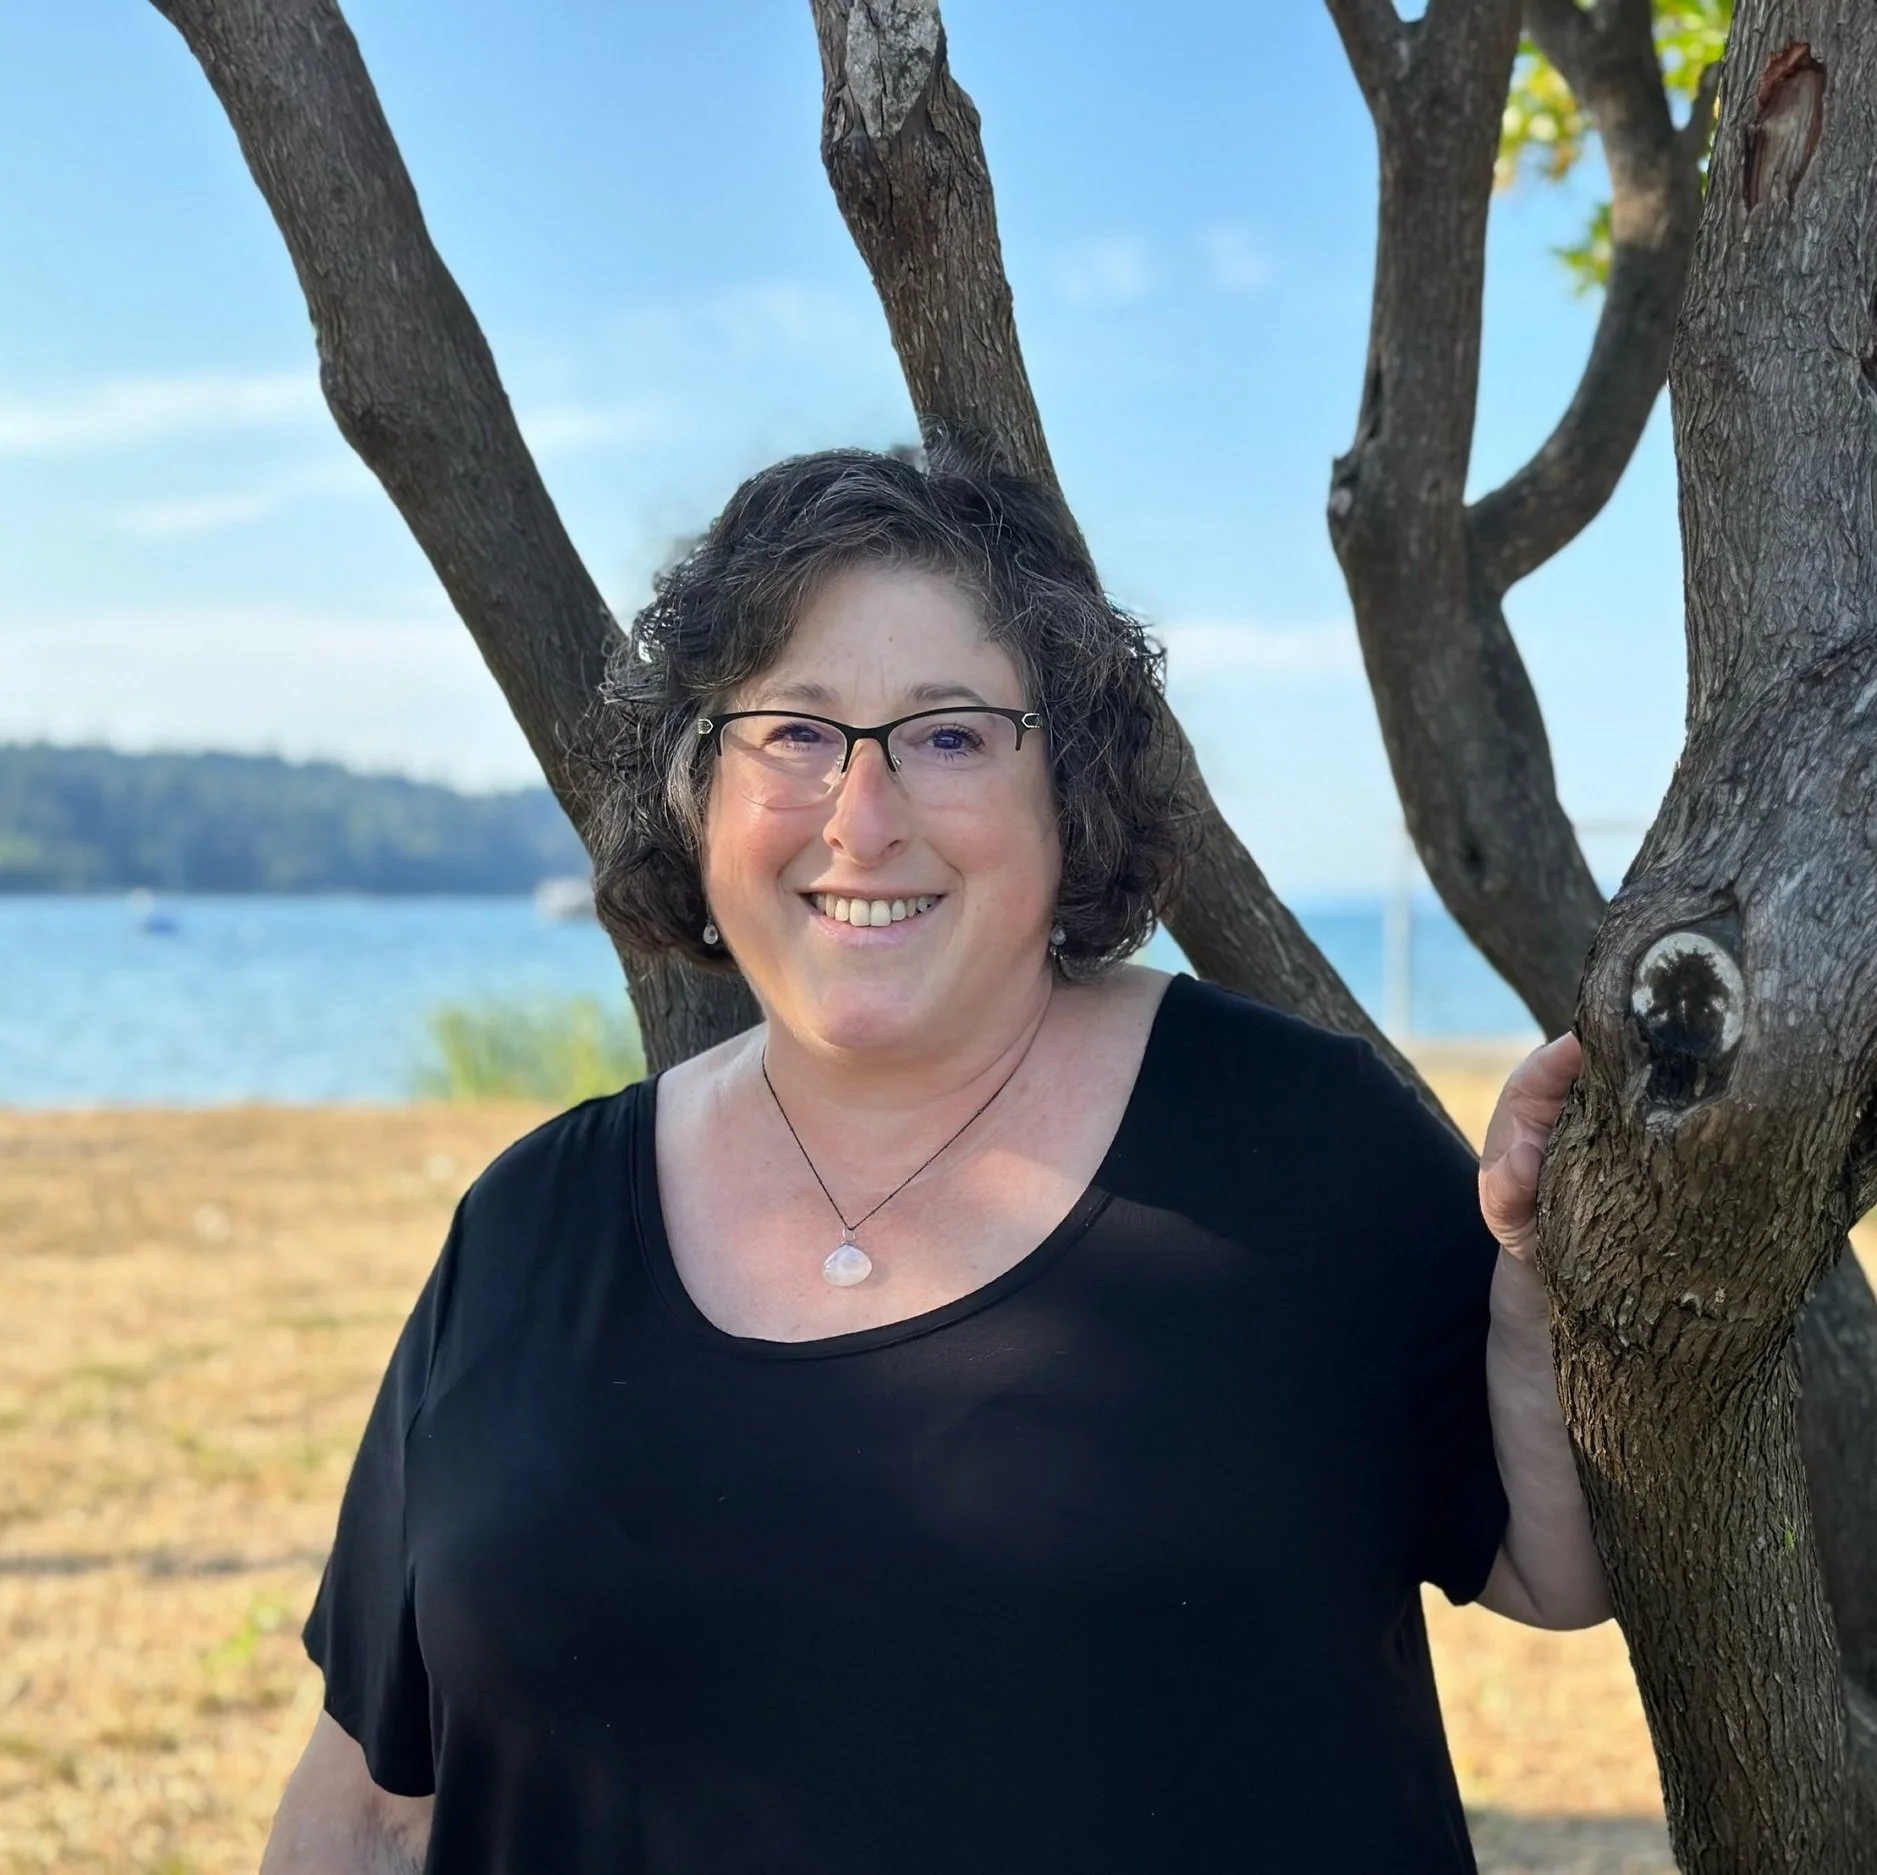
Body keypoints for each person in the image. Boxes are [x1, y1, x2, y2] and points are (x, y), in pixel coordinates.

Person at [261, 447, 1608, 1874]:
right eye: (795, 731)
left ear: (1070, 793)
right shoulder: (530, 1225)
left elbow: (1555, 1563)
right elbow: (371, 1812)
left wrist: (1549, 1265)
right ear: (697, 789)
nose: (863, 816)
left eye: (950, 736)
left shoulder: (1296, 1140)